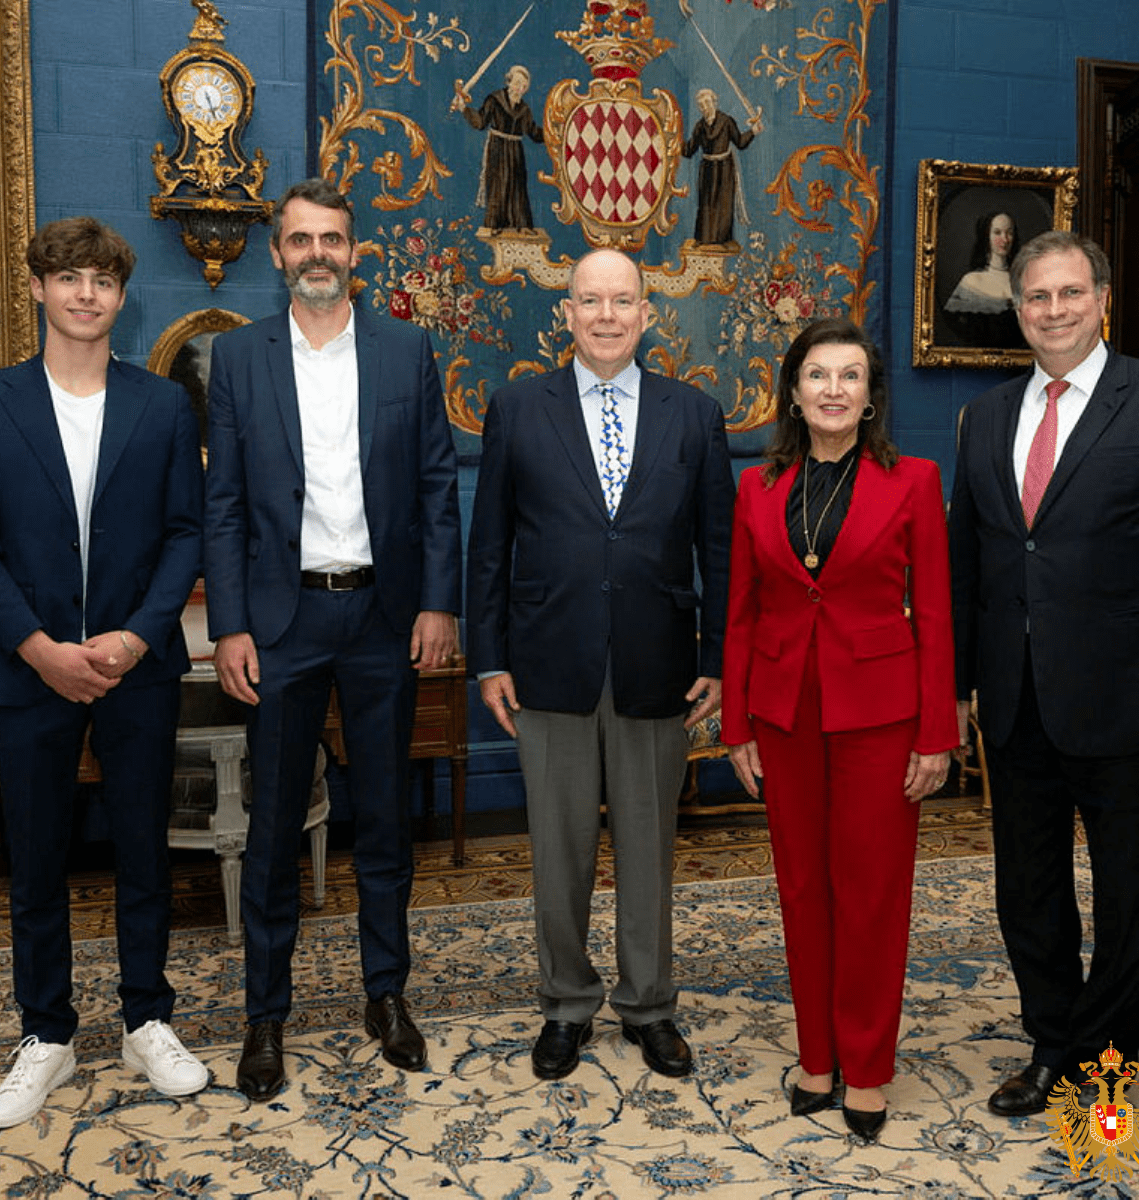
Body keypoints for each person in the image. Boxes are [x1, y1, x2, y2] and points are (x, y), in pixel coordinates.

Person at [204, 178, 461, 1102]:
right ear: (276, 254)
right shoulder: (237, 361)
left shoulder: (405, 350)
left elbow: (437, 487)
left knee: (386, 821)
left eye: (334, 240)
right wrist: (230, 621)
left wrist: (439, 603)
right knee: (273, 827)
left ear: (356, 253)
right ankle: (263, 1016)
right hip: (282, 625)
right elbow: (223, 506)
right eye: (301, 240)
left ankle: (385, 995)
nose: (318, 253)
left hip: (384, 621)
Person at [948, 230, 1139, 1118]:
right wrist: (958, 691)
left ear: (1101, 299)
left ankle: (1108, 1063)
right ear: (1017, 311)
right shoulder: (982, 419)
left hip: (1131, 702)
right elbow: (969, 566)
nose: (1053, 310)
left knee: (1132, 897)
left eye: (1069, 293)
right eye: (1036, 298)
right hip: (1016, 704)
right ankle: (1052, 1043)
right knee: (1029, 892)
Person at [467, 247, 733, 1082]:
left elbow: (719, 550)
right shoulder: (517, 408)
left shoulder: (694, 414)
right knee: (560, 849)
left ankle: (650, 1005)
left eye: (623, 301)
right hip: (548, 661)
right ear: (568, 314)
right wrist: (488, 659)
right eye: (591, 301)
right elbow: (489, 549)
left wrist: (720, 655)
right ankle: (566, 1004)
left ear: (648, 314)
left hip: (660, 662)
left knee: (650, 847)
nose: (607, 316)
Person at [722, 316, 957, 1142]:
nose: (832, 389)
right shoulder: (756, 487)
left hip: (882, 717)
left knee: (872, 894)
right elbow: (743, 612)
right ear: (793, 391)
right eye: (816, 375)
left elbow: (934, 612)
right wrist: (736, 725)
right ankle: (815, 1056)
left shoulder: (915, 481)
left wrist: (936, 734)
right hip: (784, 715)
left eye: (849, 376)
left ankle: (867, 1066)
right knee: (801, 888)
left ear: (869, 395)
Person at [0, 217, 208, 1126]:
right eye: (69, 277)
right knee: (36, 856)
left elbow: (186, 535)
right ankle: (44, 1031)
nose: (86, 294)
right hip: (26, 670)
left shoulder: (162, 406)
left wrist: (134, 636)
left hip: (137, 668)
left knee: (141, 850)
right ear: (39, 288)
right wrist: (37, 646)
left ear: (122, 299)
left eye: (103, 281)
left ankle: (146, 1017)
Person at [452, 65, 544, 234]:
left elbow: (533, 132)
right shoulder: (494, 100)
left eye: (524, 86)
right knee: (498, 185)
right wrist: (464, 108)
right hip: (498, 148)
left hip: (516, 151)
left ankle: (522, 226)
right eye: (517, 83)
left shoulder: (524, 109)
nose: (520, 88)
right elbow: (480, 122)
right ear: (509, 82)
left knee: (518, 186)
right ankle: (495, 225)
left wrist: (552, 133)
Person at [681, 88, 762, 247]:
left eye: (707, 103)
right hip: (707, 168)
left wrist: (753, 131)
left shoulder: (726, 121)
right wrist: (675, 141)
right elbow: (689, 150)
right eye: (701, 105)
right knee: (706, 204)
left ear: (714, 103)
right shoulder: (700, 126)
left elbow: (740, 142)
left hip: (725, 167)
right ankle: (703, 239)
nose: (704, 107)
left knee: (724, 204)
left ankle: (723, 239)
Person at [943, 212, 1024, 349]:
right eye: (997, 233)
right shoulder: (971, 281)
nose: (1004, 239)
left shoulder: (1023, 281)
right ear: (987, 236)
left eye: (1009, 233)